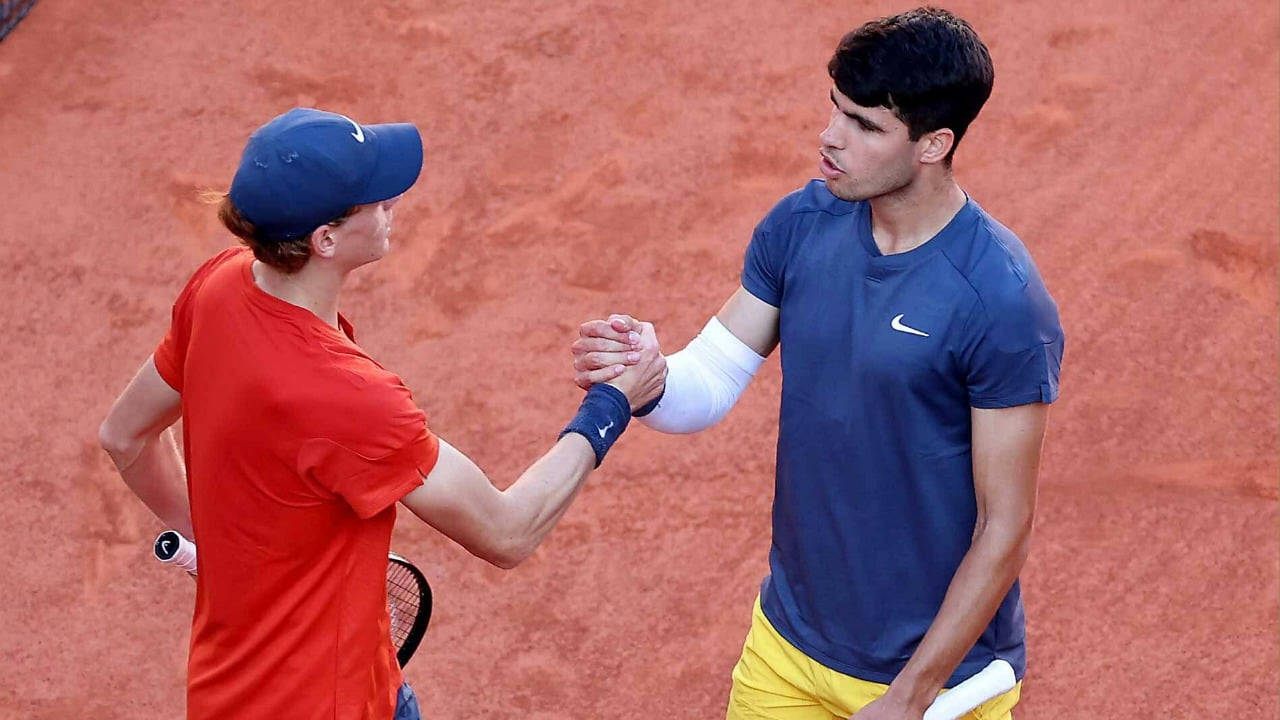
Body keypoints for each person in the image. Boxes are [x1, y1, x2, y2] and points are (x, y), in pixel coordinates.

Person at [572, 8, 1063, 720]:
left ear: (934, 144)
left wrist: (910, 695)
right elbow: (706, 385)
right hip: (788, 650)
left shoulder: (1000, 301)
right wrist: (650, 373)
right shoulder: (801, 225)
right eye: (836, 110)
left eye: (866, 125)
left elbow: (1005, 525)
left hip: (935, 682)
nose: (830, 138)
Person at [98, 108, 665, 720]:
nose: (391, 200)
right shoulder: (349, 398)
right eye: (372, 198)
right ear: (326, 240)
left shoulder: (218, 287)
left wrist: (222, 546)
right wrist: (610, 405)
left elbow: (125, 437)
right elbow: (507, 531)